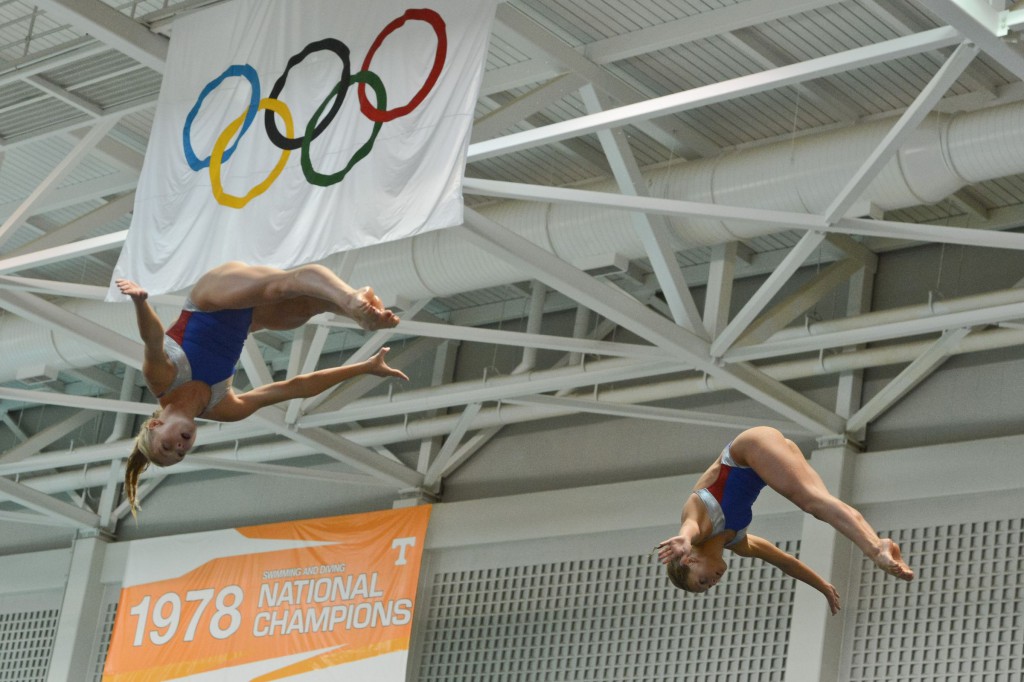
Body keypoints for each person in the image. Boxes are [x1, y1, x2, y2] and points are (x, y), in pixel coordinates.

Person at [117, 261, 407, 514]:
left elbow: (153, 340)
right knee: (304, 308)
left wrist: (141, 303)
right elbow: (293, 388)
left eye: (167, 445)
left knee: (281, 288)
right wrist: (364, 367)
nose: (180, 446)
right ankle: (362, 310)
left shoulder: (162, 380)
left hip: (209, 298)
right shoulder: (225, 409)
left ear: (156, 423)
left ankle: (351, 298)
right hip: (247, 319)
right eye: (180, 453)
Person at [656, 426, 914, 614]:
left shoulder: (698, 527)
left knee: (812, 502)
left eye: (703, 580)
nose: (713, 582)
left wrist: (684, 539)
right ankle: (879, 544)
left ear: (690, 558)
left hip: (748, 449)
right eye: (709, 587)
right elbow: (785, 562)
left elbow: (689, 526)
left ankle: (875, 549)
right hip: (767, 455)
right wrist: (821, 585)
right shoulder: (738, 543)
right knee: (822, 504)